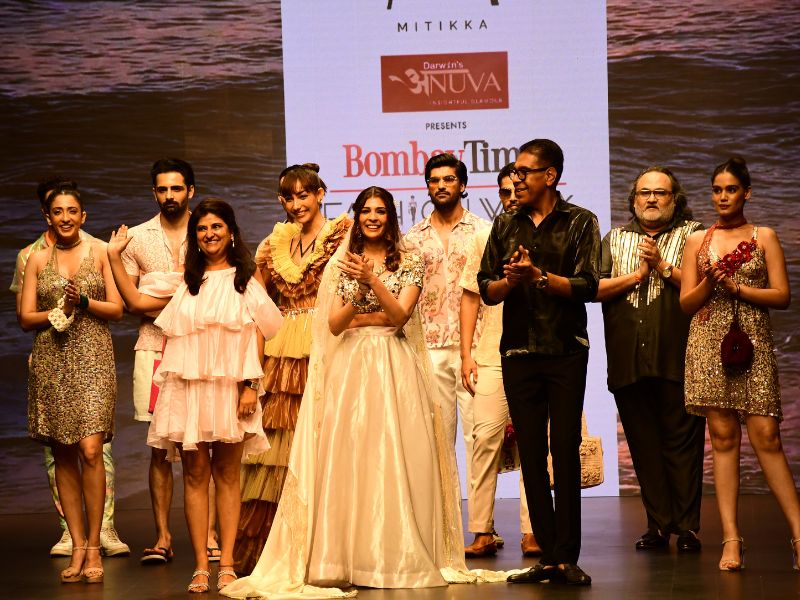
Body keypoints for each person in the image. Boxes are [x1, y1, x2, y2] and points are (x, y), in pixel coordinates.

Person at [223, 187, 509, 599]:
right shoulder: (343, 263)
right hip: (351, 368)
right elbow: (336, 324)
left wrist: (371, 282)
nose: (373, 217)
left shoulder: (410, 259)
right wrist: (360, 298)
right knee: (350, 457)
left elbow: (399, 317)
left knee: (393, 454)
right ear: (357, 217)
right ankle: (345, 557)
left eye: (380, 211)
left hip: (394, 365)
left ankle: (392, 554)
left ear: (390, 217)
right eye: (366, 211)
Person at [108, 198, 283, 593]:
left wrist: (250, 387)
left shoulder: (244, 279)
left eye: (216, 226)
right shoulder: (185, 282)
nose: (209, 234)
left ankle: (228, 563)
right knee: (195, 475)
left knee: (228, 476)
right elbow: (136, 302)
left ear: (231, 231)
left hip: (231, 389)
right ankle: (202, 565)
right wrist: (115, 258)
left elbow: (263, 333)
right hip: (189, 390)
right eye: (202, 229)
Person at [478, 139, 600, 586]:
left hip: (565, 349)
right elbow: (486, 287)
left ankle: (568, 556)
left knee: (564, 450)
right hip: (517, 351)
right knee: (529, 452)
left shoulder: (580, 221)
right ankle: (548, 556)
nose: (516, 180)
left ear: (550, 176)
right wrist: (512, 282)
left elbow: (589, 284)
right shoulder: (505, 223)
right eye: (513, 172)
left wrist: (539, 278)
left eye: (524, 172)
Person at [680, 156, 798, 572]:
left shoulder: (764, 237)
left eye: (731, 189)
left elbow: (782, 295)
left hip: (753, 342)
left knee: (767, 436)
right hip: (707, 345)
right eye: (717, 190)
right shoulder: (697, 240)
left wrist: (738, 288)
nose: (723, 197)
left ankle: (799, 535)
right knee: (723, 438)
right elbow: (686, 303)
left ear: (746, 193)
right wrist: (710, 283)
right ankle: (731, 538)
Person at [235, 163, 351, 574]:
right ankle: (281, 547)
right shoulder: (274, 243)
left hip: (327, 339)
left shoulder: (343, 234)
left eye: (304, 195)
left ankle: (328, 548)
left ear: (321, 194)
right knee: (280, 444)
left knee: (325, 438)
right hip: (283, 347)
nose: (297, 203)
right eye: (289, 197)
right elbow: (257, 302)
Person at [11, 177, 129, 559]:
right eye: (58, 212)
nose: (65, 217)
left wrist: (84, 303)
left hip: (93, 358)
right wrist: (58, 310)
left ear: (83, 216)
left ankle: (95, 543)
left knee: (92, 450)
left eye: (72, 211)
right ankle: (77, 545)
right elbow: (25, 318)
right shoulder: (35, 259)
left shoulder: (100, 252)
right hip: (53, 359)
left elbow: (117, 309)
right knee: (62, 453)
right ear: (48, 216)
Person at [119, 157, 227, 564]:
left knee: (207, 443)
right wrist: (182, 293)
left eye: (176, 188)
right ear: (154, 193)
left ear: (190, 191)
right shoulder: (136, 238)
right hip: (154, 347)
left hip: (203, 348)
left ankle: (210, 535)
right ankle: (162, 537)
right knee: (159, 448)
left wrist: (159, 294)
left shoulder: (208, 230)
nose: (169, 196)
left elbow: (217, 290)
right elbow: (132, 304)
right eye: (162, 189)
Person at [596, 166, 706, 551]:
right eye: (645, 192)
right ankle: (657, 525)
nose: (652, 199)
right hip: (628, 360)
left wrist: (661, 266)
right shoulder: (615, 239)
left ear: (675, 199)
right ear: (634, 199)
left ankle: (687, 528)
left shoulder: (694, 235)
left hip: (680, 358)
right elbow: (595, 288)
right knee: (643, 446)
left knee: (683, 445)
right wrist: (636, 276)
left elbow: (703, 287)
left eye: (661, 193)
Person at [404, 153, 490, 529]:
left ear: (463, 185)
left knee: (479, 439)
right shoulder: (412, 239)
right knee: (438, 441)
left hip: (476, 348)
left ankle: (482, 527)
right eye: (434, 180)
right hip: (430, 347)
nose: (441, 185)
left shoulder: (483, 231)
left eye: (449, 179)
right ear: (427, 186)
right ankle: (447, 529)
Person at [460, 163, 538, 557]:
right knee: (484, 439)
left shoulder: (545, 233)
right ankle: (482, 530)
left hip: (537, 352)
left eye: (516, 190)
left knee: (534, 443)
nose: (511, 198)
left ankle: (532, 530)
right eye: (504, 192)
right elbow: (470, 295)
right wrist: (466, 354)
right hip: (492, 351)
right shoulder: (485, 236)